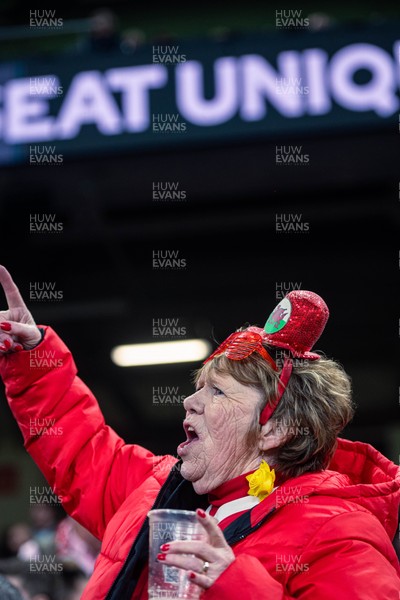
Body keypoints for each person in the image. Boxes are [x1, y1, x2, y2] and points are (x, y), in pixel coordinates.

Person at [0, 264, 398, 599]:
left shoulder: (340, 531)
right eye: (199, 387)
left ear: (275, 429)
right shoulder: (158, 488)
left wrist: (237, 585)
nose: (190, 402)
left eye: (219, 391)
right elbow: (81, 447)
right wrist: (35, 355)